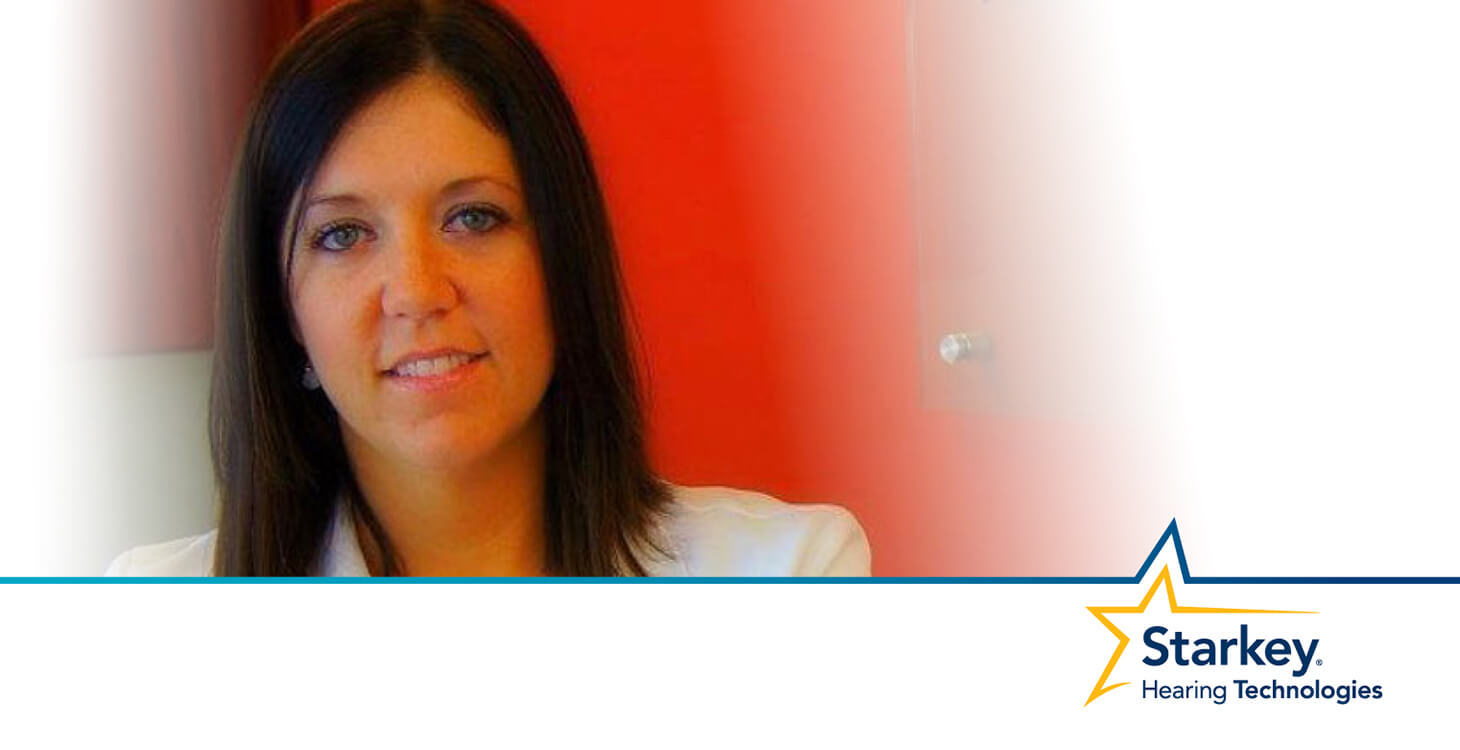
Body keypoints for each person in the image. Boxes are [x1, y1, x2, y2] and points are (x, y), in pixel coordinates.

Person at [105, 0, 870, 577]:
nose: (416, 290)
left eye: (473, 217)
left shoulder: (789, 572)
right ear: (285, 313)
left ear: (562, 259)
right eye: (343, 235)